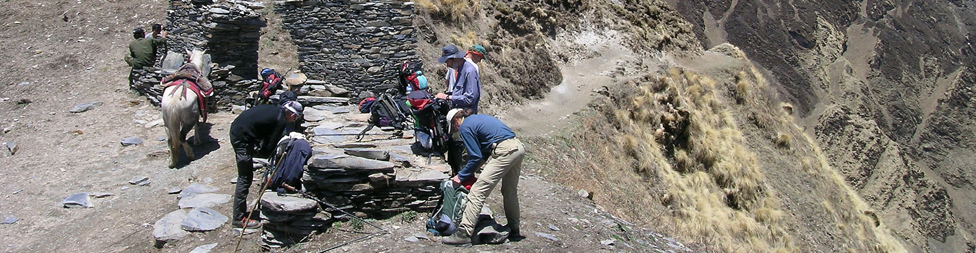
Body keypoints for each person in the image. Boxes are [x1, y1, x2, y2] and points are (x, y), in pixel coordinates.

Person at [441, 108, 525, 245]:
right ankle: (514, 230)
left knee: (477, 192)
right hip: (517, 147)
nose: (456, 131)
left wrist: (461, 176)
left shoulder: (465, 127)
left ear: (456, 121)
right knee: (509, 191)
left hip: (505, 150)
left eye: (454, 128)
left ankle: (464, 234)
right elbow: (484, 154)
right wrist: (472, 170)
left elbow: (475, 156)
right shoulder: (476, 120)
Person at [228, 101, 304, 228]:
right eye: (295, 117)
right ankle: (238, 218)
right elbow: (269, 147)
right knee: (245, 178)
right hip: (242, 140)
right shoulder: (281, 121)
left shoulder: (273, 110)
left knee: (246, 175)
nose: (293, 120)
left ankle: (239, 214)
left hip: (237, 130)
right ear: (290, 113)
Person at [435, 45, 481, 114]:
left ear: (455, 58)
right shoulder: (461, 69)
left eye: (447, 62)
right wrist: (447, 95)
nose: (447, 65)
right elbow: (460, 92)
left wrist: (448, 97)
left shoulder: (469, 71)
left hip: (466, 116)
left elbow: (470, 98)